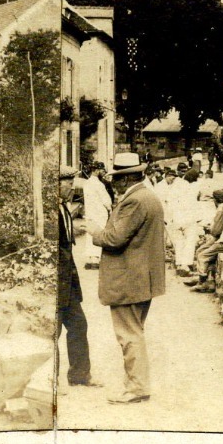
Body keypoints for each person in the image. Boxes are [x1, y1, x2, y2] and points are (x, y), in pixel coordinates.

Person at [91, 151, 168, 404]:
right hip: (143, 277)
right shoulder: (149, 197)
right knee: (135, 331)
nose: (114, 184)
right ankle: (135, 384)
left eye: (116, 180)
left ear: (126, 179)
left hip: (129, 279)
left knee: (129, 335)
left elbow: (114, 239)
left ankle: (137, 388)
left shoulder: (134, 201)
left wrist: (94, 232)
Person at [56, 169, 96, 388]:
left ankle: (80, 375)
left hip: (68, 280)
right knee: (53, 332)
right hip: (55, 280)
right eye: (67, 182)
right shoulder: (49, 210)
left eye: (72, 182)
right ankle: (51, 384)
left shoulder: (64, 207)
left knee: (79, 325)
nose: (71, 187)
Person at [75, 162, 112, 269]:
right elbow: (106, 201)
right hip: (99, 213)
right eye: (101, 170)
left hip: (90, 213)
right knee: (99, 234)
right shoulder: (99, 184)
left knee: (90, 235)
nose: (103, 172)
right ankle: (96, 259)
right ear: (96, 170)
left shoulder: (87, 183)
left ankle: (90, 259)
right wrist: (110, 209)